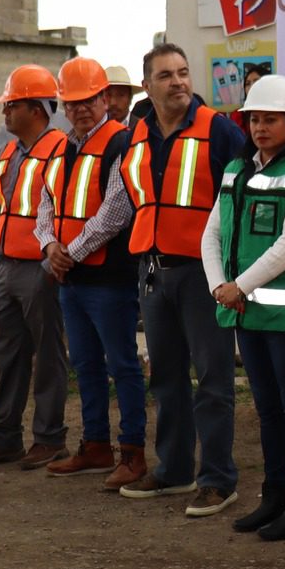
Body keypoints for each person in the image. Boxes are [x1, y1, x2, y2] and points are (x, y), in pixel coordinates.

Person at [66, 42, 248, 516]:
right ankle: (174, 471)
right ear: (148, 86)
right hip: (151, 272)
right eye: (166, 75)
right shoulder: (134, 139)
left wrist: (237, 271)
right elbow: (124, 204)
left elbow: (244, 201)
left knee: (213, 380)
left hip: (203, 276)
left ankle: (218, 478)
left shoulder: (221, 132)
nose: (179, 82)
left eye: (184, 72)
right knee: (166, 378)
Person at [205, 74, 285, 541]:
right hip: (244, 309)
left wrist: (236, 286)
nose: (260, 127)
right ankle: (273, 495)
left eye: (271, 119)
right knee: (266, 408)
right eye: (254, 118)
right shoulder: (237, 169)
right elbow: (212, 234)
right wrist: (219, 284)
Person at [36, 57, 147, 481]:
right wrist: (49, 245)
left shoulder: (122, 144)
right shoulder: (63, 146)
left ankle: (132, 453)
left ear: (106, 98)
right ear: (63, 105)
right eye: (73, 101)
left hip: (109, 278)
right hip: (72, 278)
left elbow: (114, 213)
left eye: (90, 99)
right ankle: (97, 445)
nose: (81, 108)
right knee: (84, 364)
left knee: (122, 365)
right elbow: (46, 202)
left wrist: (67, 254)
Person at [0, 66, 72, 471]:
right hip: (6, 264)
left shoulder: (60, 150)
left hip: (40, 267)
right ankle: (4, 436)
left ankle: (49, 438)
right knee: (7, 352)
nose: (5, 112)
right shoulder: (11, 150)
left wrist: (50, 258)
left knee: (47, 353)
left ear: (36, 108)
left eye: (11, 105)